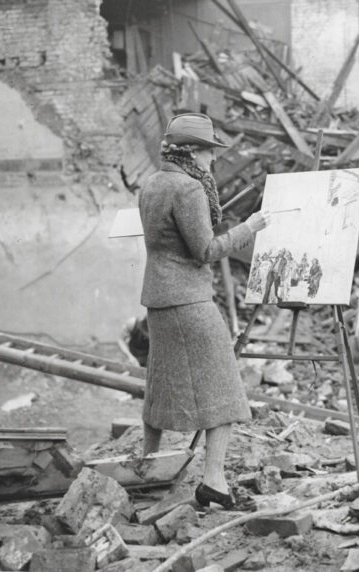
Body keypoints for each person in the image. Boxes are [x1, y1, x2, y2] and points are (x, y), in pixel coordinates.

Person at [138, 112, 272, 510]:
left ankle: (147, 470)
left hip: (159, 299)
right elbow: (206, 251)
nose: (212, 160)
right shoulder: (189, 189)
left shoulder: (152, 184)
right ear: (193, 152)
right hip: (189, 301)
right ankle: (213, 479)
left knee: (159, 385)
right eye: (209, 152)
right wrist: (249, 227)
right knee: (226, 388)